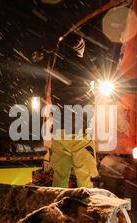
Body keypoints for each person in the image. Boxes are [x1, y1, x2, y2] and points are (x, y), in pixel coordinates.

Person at [48, 33, 99, 189]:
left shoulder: (56, 68)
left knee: (59, 178)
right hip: (79, 132)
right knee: (86, 178)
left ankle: (55, 208)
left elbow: (55, 96)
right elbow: (89, 97)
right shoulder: (86, 68)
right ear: (81, 48)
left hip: (59, 132)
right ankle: (89, 210)